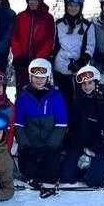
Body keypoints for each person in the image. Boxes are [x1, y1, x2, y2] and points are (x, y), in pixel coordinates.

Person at [13, 58, 68, 198]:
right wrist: (26, 146)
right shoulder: (23, 97)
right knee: (30, 173)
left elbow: (61, 125)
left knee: (49, 174)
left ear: (48, 77)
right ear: (31, 77)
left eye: (42, 77)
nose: (39, 80)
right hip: (30, 146)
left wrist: (50, 147)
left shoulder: (56, 96)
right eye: (36, 77)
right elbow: (18, 125)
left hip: (49, 147)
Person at [59, 66, 104, 188]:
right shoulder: (75, 102)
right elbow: (71, 129)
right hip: (78, 146)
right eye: (83, 83)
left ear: (96, 83)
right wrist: (67, 148)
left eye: (90, 83)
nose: (87, 86)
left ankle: (98, 168)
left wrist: (91, 152)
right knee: (66, 177)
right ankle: (79, 169)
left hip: (98, 148)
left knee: (94, 182)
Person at [52, 0, 96, 107]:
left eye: (76, 6)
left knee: (75, 102)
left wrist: (81, 62)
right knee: (60, 100)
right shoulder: (59, 24)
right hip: (59, 69)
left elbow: (90, 46)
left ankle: (74, 124)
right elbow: (54, 44)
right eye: (70, 5)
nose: (73, 9)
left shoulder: (87, 26)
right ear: (66, 6)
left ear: (80, 7)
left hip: (76, 69)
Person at [10, 0, 55, 91]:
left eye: (36, 0)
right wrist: (18, 55)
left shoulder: (48, 18)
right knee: (21, 90)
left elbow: (49, 40)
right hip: (21, 62)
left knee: (38, 90)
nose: (33, 2)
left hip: (39, 63)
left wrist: (38, 59)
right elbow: (14, 37)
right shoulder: (20, 16)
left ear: (41, 0)